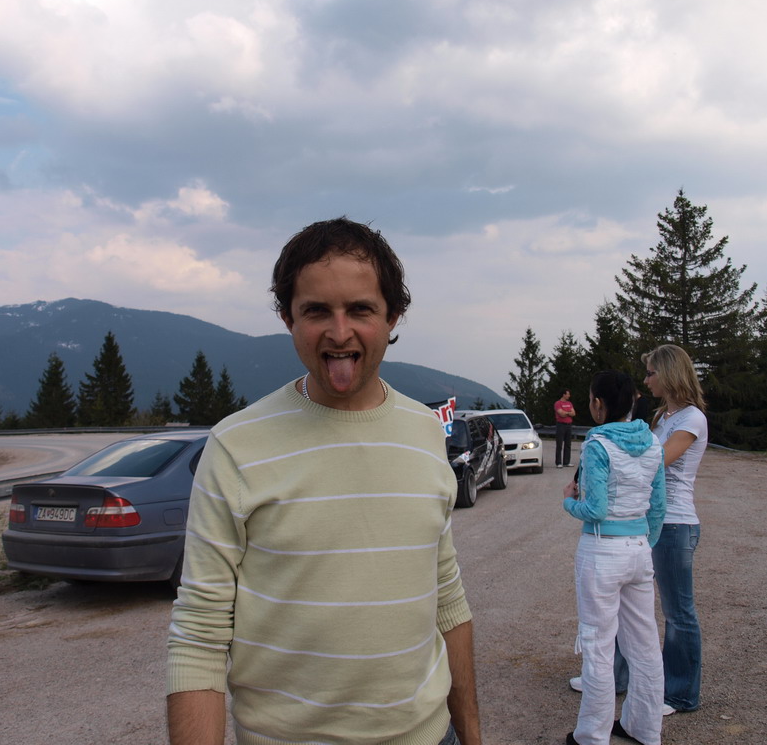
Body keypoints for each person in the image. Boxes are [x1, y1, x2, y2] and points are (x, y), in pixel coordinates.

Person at [166, 218, 481, 745]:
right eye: (316, 311)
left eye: (360, 309)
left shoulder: (426, 432)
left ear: (392, 316)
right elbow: (199, 634)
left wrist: (471, 733)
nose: (339, 333)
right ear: (288, 318)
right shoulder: (236, 445)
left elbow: (446, 595)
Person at [562, 371, 666, 745]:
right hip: (639, 550)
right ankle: (645, 728)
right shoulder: (653, 443)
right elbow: (658, 506)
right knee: (645, 644)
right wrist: (644, 543)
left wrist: (568, 501)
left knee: (598, 645)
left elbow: (596, 508)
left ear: (598, 403)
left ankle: (592, 735)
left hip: (602, 551)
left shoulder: (598, 444)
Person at [639, 344, 708, 715]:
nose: (646, 380)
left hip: (676, 524)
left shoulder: (691, 419)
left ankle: (680, 694)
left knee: (678, 612)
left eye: (651, 373)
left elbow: (658, 460)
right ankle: (628, 678)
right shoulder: (662, 417)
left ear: (668, 374)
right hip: (654, 521)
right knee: (634, 602)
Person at [554, 389, 576, 468]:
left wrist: (566, 413)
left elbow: (573, 413)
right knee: (559, 444)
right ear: (564, 395)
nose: (569, 396)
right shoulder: (558, 403)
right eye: (568, 394)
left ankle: (566, 462)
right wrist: (568, 413)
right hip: (561, 425)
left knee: (568, 444)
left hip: (568, 425)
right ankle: (558, 462)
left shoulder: (569, 403)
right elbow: (561, 414)